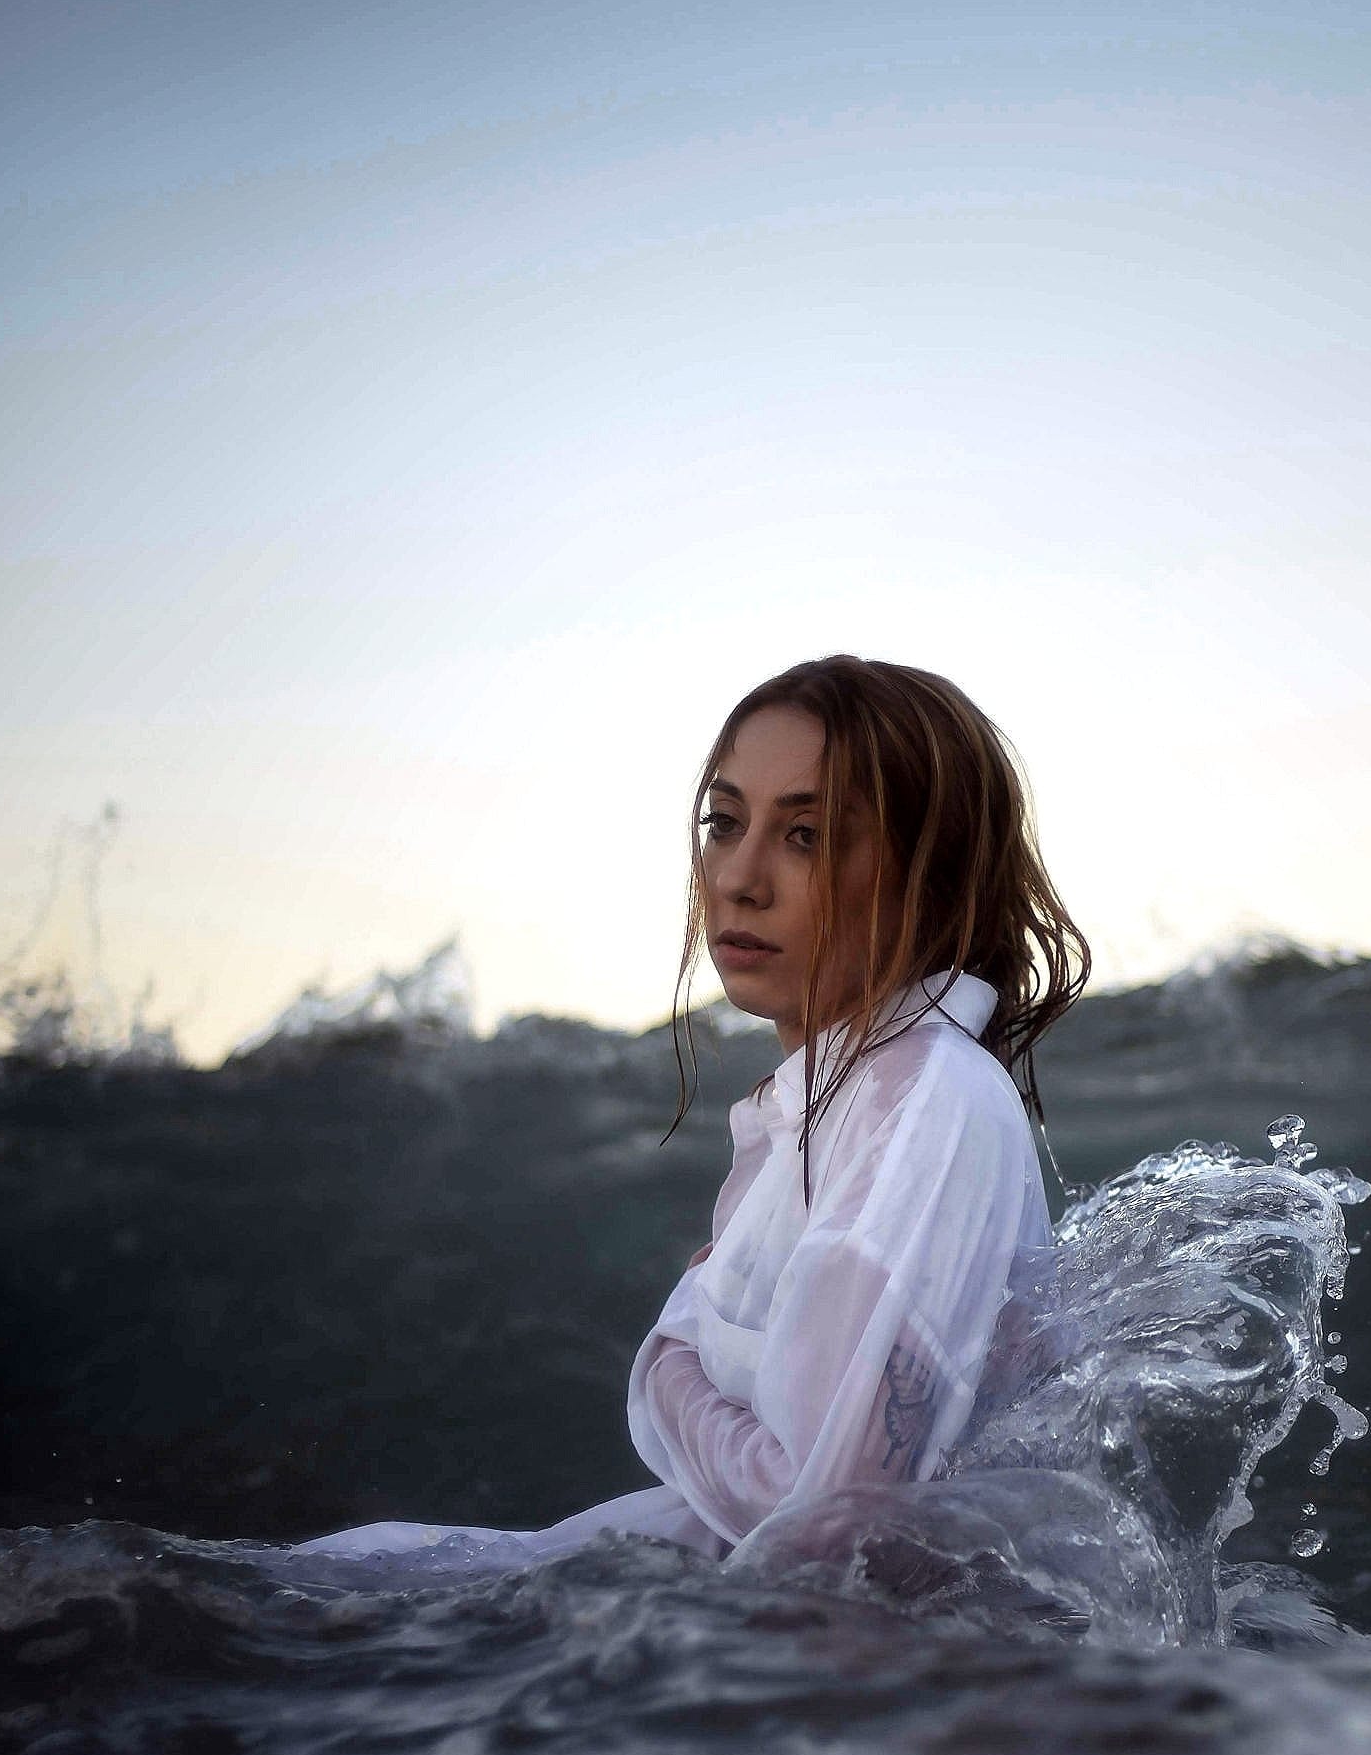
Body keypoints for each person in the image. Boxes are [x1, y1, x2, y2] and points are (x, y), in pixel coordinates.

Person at [296, 655, 1088, 1574]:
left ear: (933, 875)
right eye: (725, 823)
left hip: (808, 1673)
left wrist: (673, 1354)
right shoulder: (845, 1100)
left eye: (808, 836)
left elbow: (829, 1524)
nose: (739, 879)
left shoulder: (920, 1101)